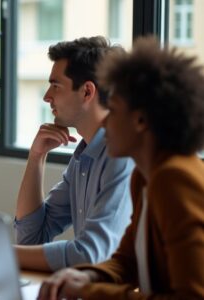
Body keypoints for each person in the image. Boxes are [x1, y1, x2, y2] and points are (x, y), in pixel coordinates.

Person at [0, 36, 134, 271]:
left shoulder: (123, 157)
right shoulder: (84, 157)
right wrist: (36, 157)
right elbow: (31, 238)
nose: (47, 96)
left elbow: (89, 254)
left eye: (56, 86)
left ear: (87, 92)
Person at [38, 36, 204, 300]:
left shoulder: (175, 179)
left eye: (112, 111)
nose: (105, 124)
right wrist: (85, 274)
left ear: (139, 120)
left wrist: (90, 289)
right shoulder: (144, 176)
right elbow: (126, 262)